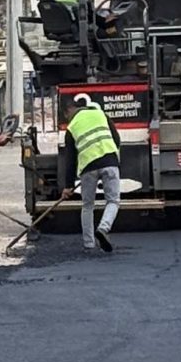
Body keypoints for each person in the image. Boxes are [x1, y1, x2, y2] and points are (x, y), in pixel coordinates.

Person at [62, 92, 121, 254]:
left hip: (88, 167)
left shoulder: (71, 128)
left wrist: (68, 186)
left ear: (69, 111)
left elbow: (70, 160)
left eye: (66, 115)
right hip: (110, 161)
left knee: (87, 205)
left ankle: (88, 244)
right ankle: (103, 228)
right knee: (113, 201)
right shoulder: (99, 114)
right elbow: (116, 139)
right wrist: (114, 157)